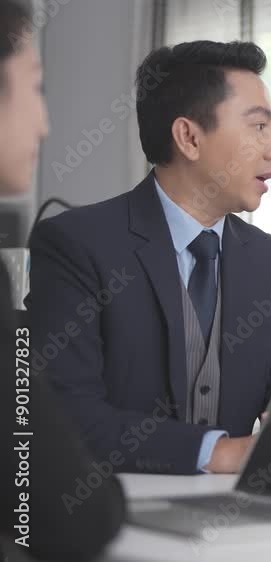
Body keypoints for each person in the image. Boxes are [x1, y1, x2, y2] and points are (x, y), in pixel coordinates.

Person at [27, 40, 271, 476]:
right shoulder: (75, 246)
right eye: (258, 127)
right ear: (189, 138)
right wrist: (220, 452)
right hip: (111, 517)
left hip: (235, 520)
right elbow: (61, 415)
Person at [0, 0, 125, 559]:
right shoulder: (78, 246)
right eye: (35, 87)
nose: (46, 122)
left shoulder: (269, 260)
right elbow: (65, 509)